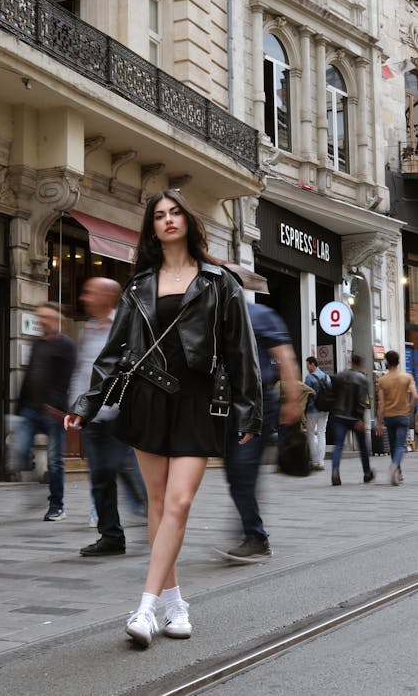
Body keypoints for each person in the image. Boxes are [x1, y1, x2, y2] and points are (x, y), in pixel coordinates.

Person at [65, 190, 261, 647]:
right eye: (159, 215)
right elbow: (115, 352)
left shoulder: (219, 281)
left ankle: (146, 606)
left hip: (197, 401)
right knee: (156, 505)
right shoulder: (138, 286)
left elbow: (241, 350)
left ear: (189, 221)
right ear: (152, 228)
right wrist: (86, 405)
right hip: (147, 398)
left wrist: (249, 408)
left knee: (178, 504)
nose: (168, 220)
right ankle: (176, 605)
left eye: (175, 212)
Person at [216, 264, 302, 562]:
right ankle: (249, 532)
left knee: (242, 470)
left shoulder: (261, 316)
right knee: (233, 472)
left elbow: (285, 358)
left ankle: (255, 537)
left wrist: (292, 401)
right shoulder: (213, 319)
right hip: (223, 405)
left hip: (257, 402)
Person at [69, 277, 147, 557]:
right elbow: (83, 370)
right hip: (93, 417)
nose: (84, 297)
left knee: (110, 468)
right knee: (102, 476)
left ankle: (150, 511)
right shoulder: (89, 328)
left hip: (117, 414)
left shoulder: (124, 326)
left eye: (90, 292)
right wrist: (77, 406)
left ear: (108, 297)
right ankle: (111, 537)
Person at [13, 302, 77, 521]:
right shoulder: (37, 344)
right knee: (19, 451)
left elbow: (67, 379)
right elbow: (29, 374)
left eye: (47, 317)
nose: (42, 321)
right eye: (40, 317)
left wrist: (56, 406)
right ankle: (39, 489)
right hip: (30, 409)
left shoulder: (66, 345)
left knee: (55, 460)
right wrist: (18, 408)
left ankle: (57, 506)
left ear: (58, 320)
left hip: (54, 412)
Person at [330, 353, 375, 486]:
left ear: (351, 362)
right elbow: (362, 400)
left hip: (338, 415)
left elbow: (334, 395)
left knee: (338, 445)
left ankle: (335, 470)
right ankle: (367, 473)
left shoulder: (340, 375)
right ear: (360, 364)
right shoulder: (362, 379)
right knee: (363, 446)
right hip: (355, 418)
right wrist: (360, 418)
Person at [376, 349, 417, 485]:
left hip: (389, 416)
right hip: (403, 415)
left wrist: (379, 423)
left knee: (393, 446)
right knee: (400, 446)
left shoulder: (382, 380)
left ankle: (398, 473)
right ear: (399, 362)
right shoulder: (407, 377)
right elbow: (415, 396)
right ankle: (394, 468)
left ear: (386, 363)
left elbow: (381, 404)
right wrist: (410, 409)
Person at [304, 356, 331, 470]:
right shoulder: (326, 376)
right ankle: (321, 462)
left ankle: (314, 461)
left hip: (312, 410)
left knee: (310, 434)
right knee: (321, 434)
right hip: (325, 409)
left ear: (312, 364)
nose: (307, 368)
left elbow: (305, 394)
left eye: (307, 365)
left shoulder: (309, 378)